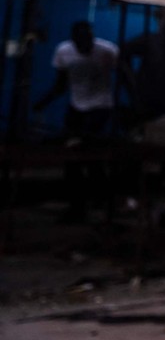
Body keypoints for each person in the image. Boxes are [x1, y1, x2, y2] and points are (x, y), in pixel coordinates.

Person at [33, 21, 127, 221]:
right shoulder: (64, 51)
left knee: (84, 149)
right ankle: (81, 203)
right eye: (81, 42)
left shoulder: (107, 51)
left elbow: (126, 76)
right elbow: (61, 83)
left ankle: (97, 201)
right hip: (77, 105)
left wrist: (133, 105)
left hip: (101, 106)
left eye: (89, 41)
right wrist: (43, 102)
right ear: (74, 40)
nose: (86, 46)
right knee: (74, 156)